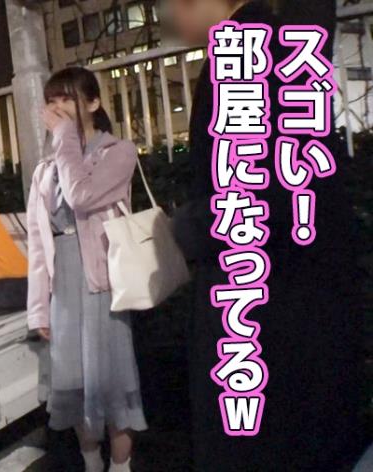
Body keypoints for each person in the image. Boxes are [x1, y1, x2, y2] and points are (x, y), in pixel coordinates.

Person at [168, 0, 366, 470]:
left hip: (257, 302)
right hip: (307, 304)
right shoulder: (290, 46)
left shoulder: (240, 55)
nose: (172, 15)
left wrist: (186, 226)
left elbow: (251, 195)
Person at [27, 67, 147, 472]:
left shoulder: (118, 152)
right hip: (63, 287)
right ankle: (92, 463)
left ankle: (121, 466)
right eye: (52, 100)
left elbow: (81, 196)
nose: (58, 108)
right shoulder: (45, 169)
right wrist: (38, 310)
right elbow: (38, 245)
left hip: (103, 283)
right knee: (74, 385)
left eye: (68, 98)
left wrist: (63, 138)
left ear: (93, 103)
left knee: (112, 382)